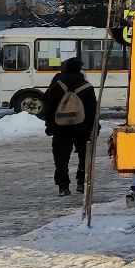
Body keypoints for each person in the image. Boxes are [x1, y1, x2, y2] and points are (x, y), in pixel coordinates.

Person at [38, 57, 99, 196]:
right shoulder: (87, 87)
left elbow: (49, 107)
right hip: (82, 129)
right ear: (79, 69)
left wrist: (50, 126)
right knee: (84, 156)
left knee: (61, 158)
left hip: (61, 129)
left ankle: (63, 186)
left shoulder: (57, 85)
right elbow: (92, 110)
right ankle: (81, 182)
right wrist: (94, 128)